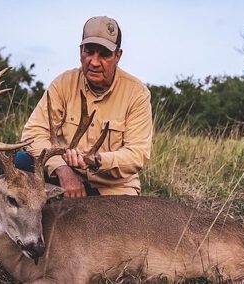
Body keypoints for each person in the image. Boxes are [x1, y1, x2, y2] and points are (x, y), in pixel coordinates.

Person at [17, 16, 153, 198]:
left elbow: (137, 155)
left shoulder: (137, 93)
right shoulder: (63, 84)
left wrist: (97, 160)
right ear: (81, 50)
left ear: (118, 55)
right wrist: (63, 170)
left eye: (104, 54)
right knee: (21, 162)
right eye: (89, 52)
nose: (94, 62)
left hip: (112, 189)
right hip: (65, 176)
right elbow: (33, 134)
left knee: (118, 224)